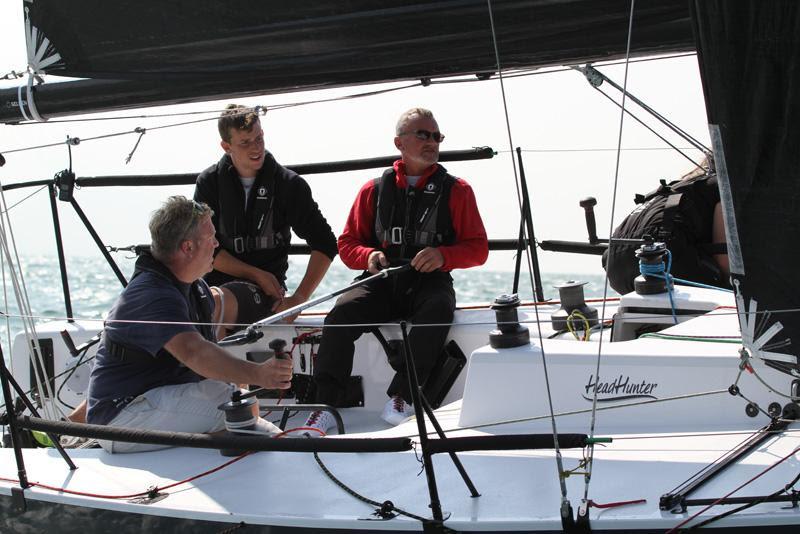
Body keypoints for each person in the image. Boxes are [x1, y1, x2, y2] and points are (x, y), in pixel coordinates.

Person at [304, 108, 488, 433]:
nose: (432, 142)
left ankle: (402, 396)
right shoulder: (372, 191)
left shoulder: (458, 191)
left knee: (439, 308)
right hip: (383, 279)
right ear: (399, 142)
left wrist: (444, 255)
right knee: (341, 314)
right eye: (423, 135)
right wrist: (369, 255)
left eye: (437, 136)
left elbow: (478, 249)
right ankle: (326, 405)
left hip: (430, 281)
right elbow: (347, 244)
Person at [85, 196, 294, 453]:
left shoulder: (195, 288)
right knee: (231, 405)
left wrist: (244, 380)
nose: (217, 244)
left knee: (240, 397)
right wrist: (259, 373)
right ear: (188, 248)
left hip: (153, 399)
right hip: (120, 417)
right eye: (211, 238)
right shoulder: (152, 294)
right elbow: (195, 352)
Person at [194, 104, 338, 332]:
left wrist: (299, 298)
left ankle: (214, 366)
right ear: (226, 146)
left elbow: (326, 243)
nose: (256, 147)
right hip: (211, 283)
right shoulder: (209, 183)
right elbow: (204, 248)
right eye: (245, 142)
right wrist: (255, 273)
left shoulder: (289, 185)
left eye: (259, 138)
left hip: (263, 293)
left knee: (214, 303)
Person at [602, 154, 729, 294]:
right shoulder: (724, 187)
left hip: (614, 265)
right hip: (666, 260)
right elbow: (723, 261)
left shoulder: (680, 186)